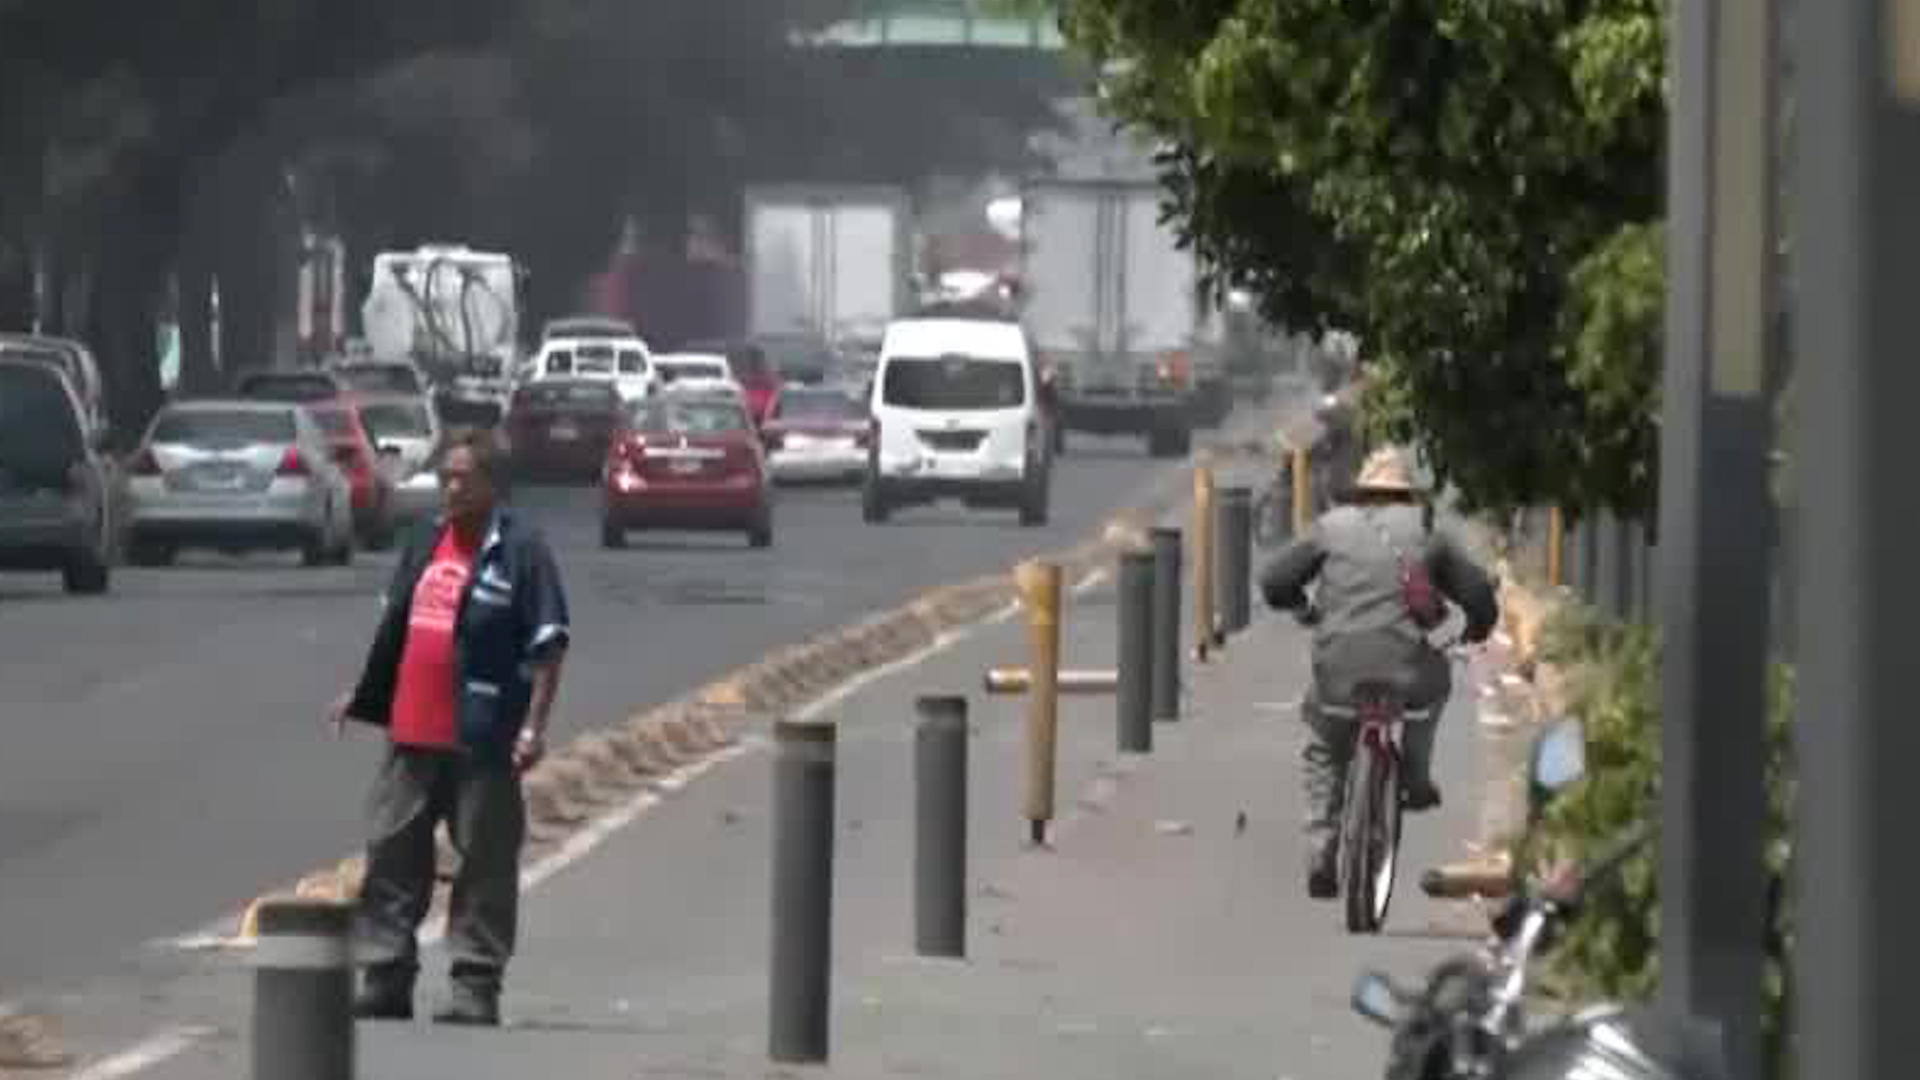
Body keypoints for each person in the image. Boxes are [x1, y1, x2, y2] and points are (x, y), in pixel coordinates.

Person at [328, 430, 571, 1025]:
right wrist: (361, 695)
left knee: (484, 862)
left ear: (492, 484)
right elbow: (399, 630)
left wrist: (533, 729)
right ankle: (386, 975)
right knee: (390, 855)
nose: (452, 488)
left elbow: (548, 646)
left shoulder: (522, 549)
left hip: (481, 738)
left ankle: (475, 983)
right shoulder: (425, 540)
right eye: (446, 478)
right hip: (411, 732)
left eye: (464, 478)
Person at [1258, 446, 1499, 899]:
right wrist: (1475, 630)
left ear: (1363, 493)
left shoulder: (1331, 528)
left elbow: (1274, 582)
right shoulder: (1428, 534)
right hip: (1408, 669)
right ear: (1409, 496)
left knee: (1324, 743)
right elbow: (1478, 593)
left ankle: (1320, 848)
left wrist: (1304, 607)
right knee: (1435, 690)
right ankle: (1415, 775)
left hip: (1337, 670)